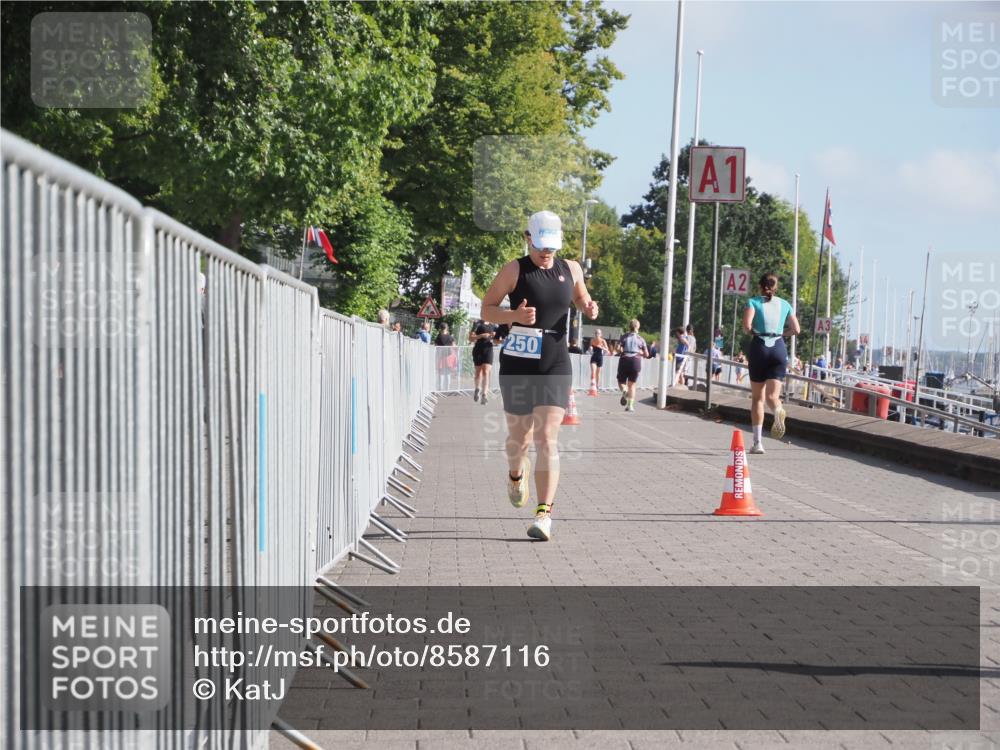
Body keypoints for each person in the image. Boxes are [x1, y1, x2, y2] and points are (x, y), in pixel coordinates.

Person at [480, 210, 599, 542]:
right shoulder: (514, 269)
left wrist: (589, 306)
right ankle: (516, 475)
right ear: (528, 238)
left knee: (548, 437)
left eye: (552, 247)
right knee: (519, 440)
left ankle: (544, 514)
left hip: (555, 361)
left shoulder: (570, 268)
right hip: (519, 363)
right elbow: (486, 309)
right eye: (541, 246)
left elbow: (580, 296)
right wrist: (513, 315)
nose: (547, 253)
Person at [743, 273, 800, 454]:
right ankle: (778, 409)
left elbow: (746, 326)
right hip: (778, 349)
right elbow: (796, 329)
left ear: (760, 286)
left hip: (760, 347)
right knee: (772, 397)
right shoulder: (785, 304)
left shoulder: (753, 302)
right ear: (776, 287)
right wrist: (781, 334)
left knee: (757, 399)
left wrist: (756, 331)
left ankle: (757, 443)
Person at [617, 320, 650, 412]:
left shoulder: (623, 337)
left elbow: (618, 349)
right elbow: (647, 354)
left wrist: (622, 350)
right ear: (638, 327)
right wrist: (640, 352)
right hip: (636, 360)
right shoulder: (641, 339)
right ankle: (630, 406)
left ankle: (624, 390)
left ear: (629, 327)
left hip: (624, 359)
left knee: (621, 382)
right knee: (632, 385)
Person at [469, 318, 498, 405]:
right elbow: (470, 338)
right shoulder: (477, 323)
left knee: (486, 371)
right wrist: (481, 336)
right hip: (478, 349)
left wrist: (495, 334)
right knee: (478, 372)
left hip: (488, 349)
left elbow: (498, 337)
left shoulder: (493, 325)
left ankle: (484, 395)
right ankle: (477, 389)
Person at [435, 323, 457, 391]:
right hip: (449, 357)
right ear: (447, 328)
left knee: (441, 373)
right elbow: (454, 346)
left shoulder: (439, 337)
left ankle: (440, 388)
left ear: (440, 328)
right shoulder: (451, 337)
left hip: (441, 356)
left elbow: (435, 346)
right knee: (448, 373)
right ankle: (447, 388)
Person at [589, 328, 610, 393]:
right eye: (596, 333)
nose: (597, 334)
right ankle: (592, 384)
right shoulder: (592, 340)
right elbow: (590, 347)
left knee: (598, 373)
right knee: (593, 371)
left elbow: (607, 350)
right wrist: (590, 348)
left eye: (598, 333)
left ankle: (597, 386)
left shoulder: (603, 341)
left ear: (601, 334)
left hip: (600, 357)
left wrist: (602, 347)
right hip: (594, 357)